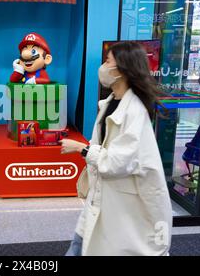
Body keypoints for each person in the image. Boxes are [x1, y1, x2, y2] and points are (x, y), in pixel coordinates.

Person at [60, 41, 172, 256]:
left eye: (108, 61)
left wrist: (82, 149)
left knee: (89, 245)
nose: (103, 66)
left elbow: (116, 163)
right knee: (81, 243)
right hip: (102, 198)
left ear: (122, 68)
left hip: (120, 202)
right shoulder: (110, 102)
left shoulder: (135, 111)